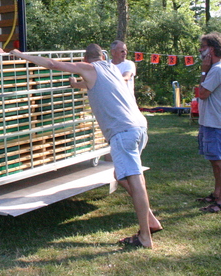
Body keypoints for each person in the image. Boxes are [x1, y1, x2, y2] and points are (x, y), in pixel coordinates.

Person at [10, 45, 162, 248]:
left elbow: (52, 64)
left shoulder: (89, 68)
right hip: (139, 127)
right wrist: (77, 85)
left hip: (123, 132)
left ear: (85, 60)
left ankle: (145, 237)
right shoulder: (113, 69)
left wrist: (20, 55)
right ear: (103, 56)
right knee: (121, 176)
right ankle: (150, 220)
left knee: (136, 181)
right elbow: (96, 85)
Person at [196, 32, 221, 213]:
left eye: (203, 47)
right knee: (214, 160)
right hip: (209, 121)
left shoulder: (218, 68)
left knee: (220, 161)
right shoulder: (217, 67)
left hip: (216, 123)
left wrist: (204, 69)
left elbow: (202, 93)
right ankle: (216, 194)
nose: (200, 51)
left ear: (211, 49)